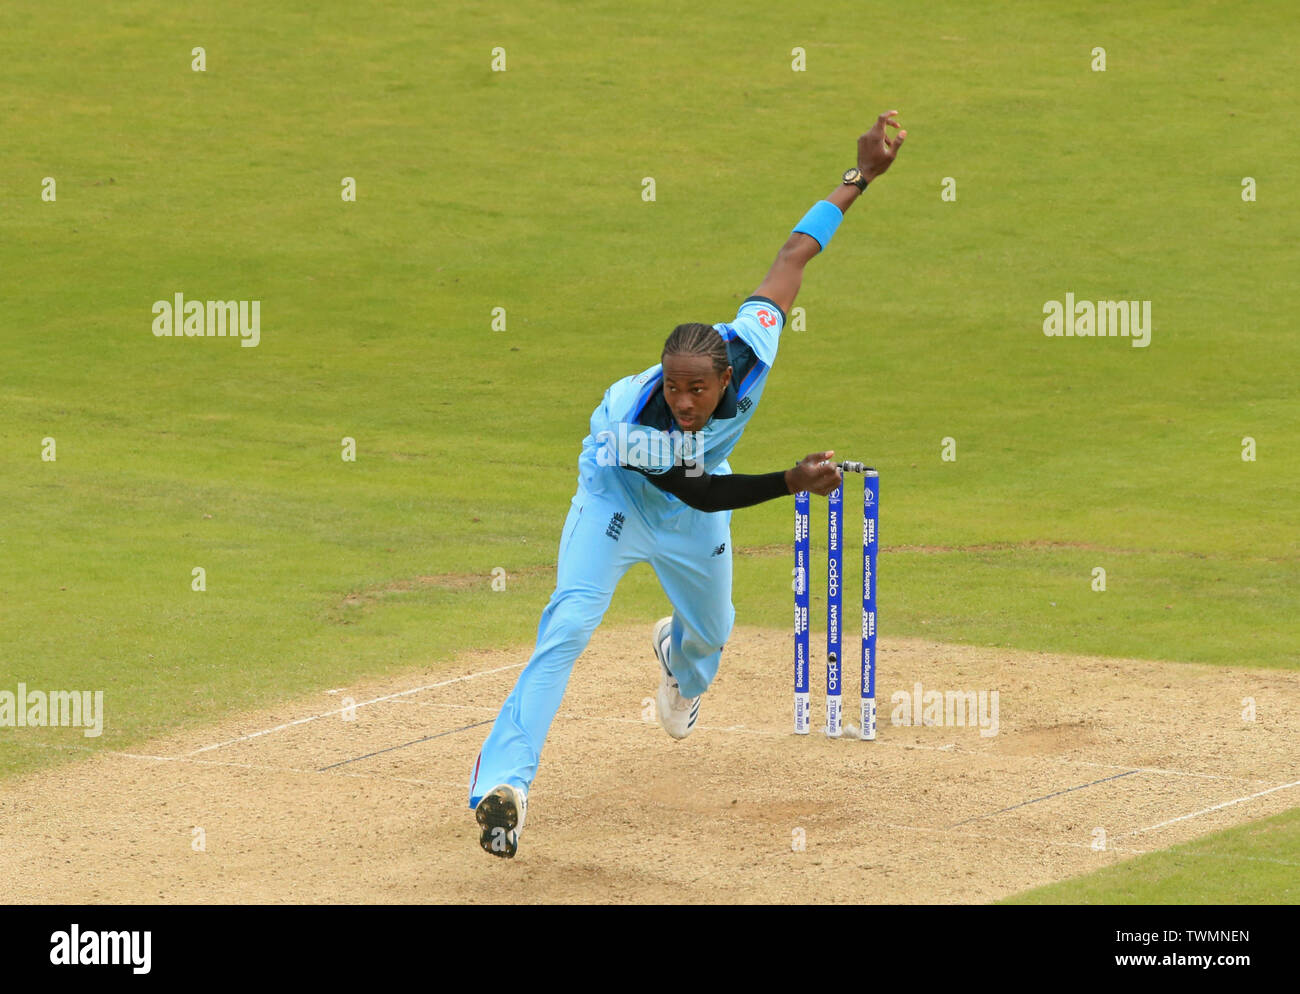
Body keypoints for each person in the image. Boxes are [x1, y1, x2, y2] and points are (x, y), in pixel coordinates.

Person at [470, 111, 908, 858]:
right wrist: (793, 482)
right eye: (673, 388)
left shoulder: (753, 341)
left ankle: (679, 660)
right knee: (567, 627)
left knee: (714, 632)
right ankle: (504, 787)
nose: (682, 402)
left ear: (725, 377)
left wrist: (858, 176)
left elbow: (794, 255)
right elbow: (699, 492)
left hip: (694, 503)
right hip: (619, 500)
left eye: (696, 391)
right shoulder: (631, 426)